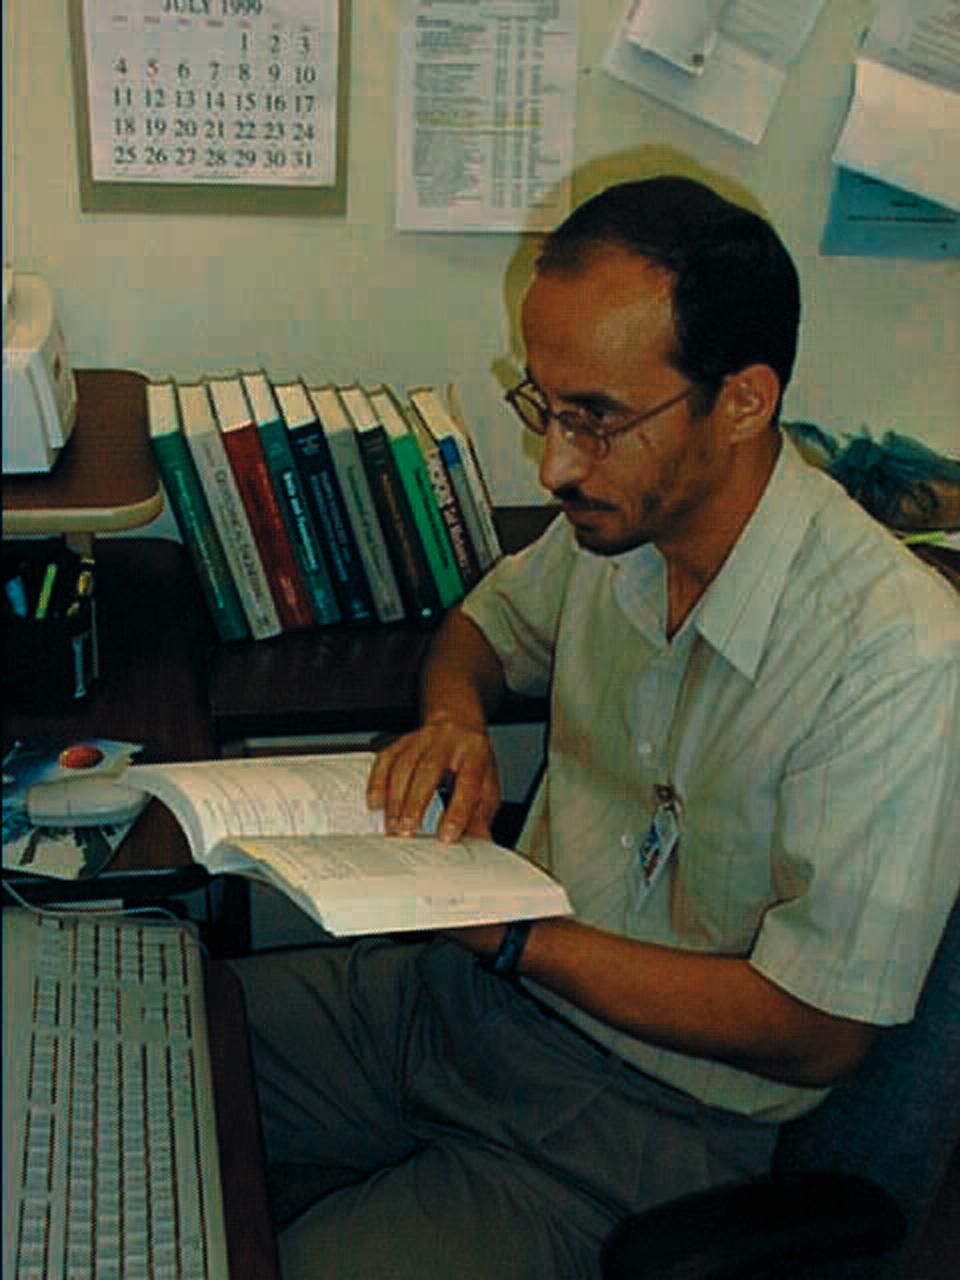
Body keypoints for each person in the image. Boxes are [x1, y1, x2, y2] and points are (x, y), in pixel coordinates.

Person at [234, 176, 960, 1279]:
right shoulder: (616, 523)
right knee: (134, 1051)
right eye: (545, 405)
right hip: (463, 1006)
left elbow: (821, 1028)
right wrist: (454, 720)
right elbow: (480, 629)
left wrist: (515, 932)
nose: (556, 465)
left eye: (597, 418)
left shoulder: (896, 653)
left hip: (648, 1128)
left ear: (745, 401)